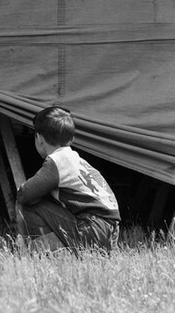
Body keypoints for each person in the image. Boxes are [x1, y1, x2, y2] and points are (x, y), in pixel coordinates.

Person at [15, 106, 120, 254]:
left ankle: (46, 251)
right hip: (110, 232)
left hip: (93, 229)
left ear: (39, 138)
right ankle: (68, 249)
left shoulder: (58, 161)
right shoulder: (76, 160)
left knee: (25, 202)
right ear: (72, 139)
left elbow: (24, 193)